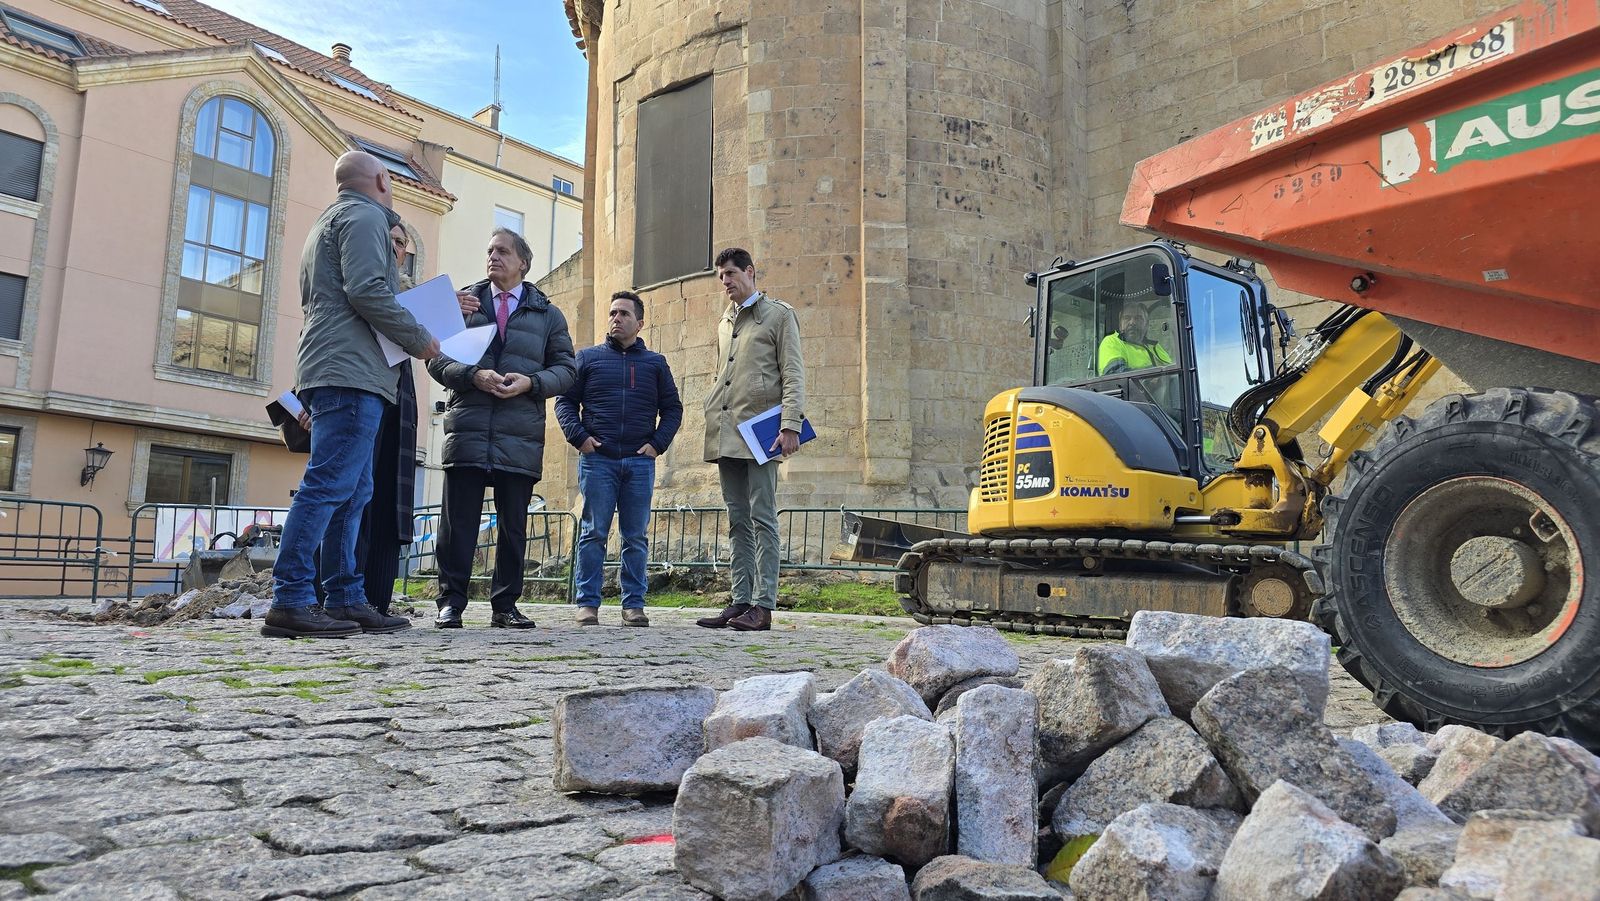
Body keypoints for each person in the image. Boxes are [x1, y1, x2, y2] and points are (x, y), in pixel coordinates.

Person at [264, 151, 439, 639]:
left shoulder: (332, 220)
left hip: (342, 368)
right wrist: (419, 338)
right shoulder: (364, 216)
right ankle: (292, 598)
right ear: (383, 178)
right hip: (351, 372)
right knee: (328, 485)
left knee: (353, 489)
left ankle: (345, 596)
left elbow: (358, 291)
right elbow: (367, 291)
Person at [426, 228, 576, 630]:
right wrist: (472, 376)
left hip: (520, 431)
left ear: (523, 263)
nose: (493, 256)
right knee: (456, 523)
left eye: (503, 251)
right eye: (489, 250)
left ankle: (505, 606)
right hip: (468, 427)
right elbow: (433, 359)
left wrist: (532, 383)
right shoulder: (462, 303)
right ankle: (451, 603)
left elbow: (566, 370)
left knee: (513, 526)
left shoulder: (548, 314)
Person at [555, 291, 683, 627]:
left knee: (635, 536)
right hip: (599, 461)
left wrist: (657, 444)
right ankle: (587, 604)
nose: (616, 318)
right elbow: (565, 403)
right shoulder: (587, 359)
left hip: (640, 462)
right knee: (593, 533)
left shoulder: (655, 364)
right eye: (612, 313)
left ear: (640, 323)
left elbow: (672, 409)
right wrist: (580, 438)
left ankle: (634, 605)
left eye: (624, 314)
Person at [694, 248, 806, 633]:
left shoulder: (779, 315)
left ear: (750, 272)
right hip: (727, 431)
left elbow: (792, 373)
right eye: (720, 276)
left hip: (762, 434)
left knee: (763, 517)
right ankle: (740, 599)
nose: (725, 281)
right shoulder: (725, 322)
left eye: (730, 273)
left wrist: (790, 424)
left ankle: (763, 605)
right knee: (737, 519)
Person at [1097, 304, 1172, 375]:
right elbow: (1115, 374)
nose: (1132, 322)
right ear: (1120, 324)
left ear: (1146, 325)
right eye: (1127, 318)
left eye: (1138, 318)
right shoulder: (1112, 342)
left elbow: (1174, 373)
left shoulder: (1155, 347)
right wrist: (1151, 377)